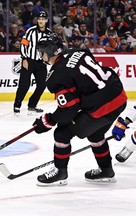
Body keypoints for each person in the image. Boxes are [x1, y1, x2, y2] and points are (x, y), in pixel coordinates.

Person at [33, 34, 127, 186]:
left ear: (49, 52)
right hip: (118, 96)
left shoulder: (56, 76)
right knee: (95, 133)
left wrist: (48, 121)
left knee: (62, 133)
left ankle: (60, 172)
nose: (41, 55)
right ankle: (106, 170)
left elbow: (68, 109)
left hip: (102, 105)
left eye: (42, 51)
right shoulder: (77, 51)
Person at [13, 10, 52, 115]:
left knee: (42, 85)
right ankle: (17, 105)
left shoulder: (49, 33)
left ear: (46, 20)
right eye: (39, 19)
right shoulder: (31, 31)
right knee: (24, 85)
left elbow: (51, 48)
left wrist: (47, 55)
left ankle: (32, 105)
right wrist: (24, 58)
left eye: (43, 19)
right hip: (29, 60)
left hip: (41, 63)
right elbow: (23, 44)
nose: (41, 21)